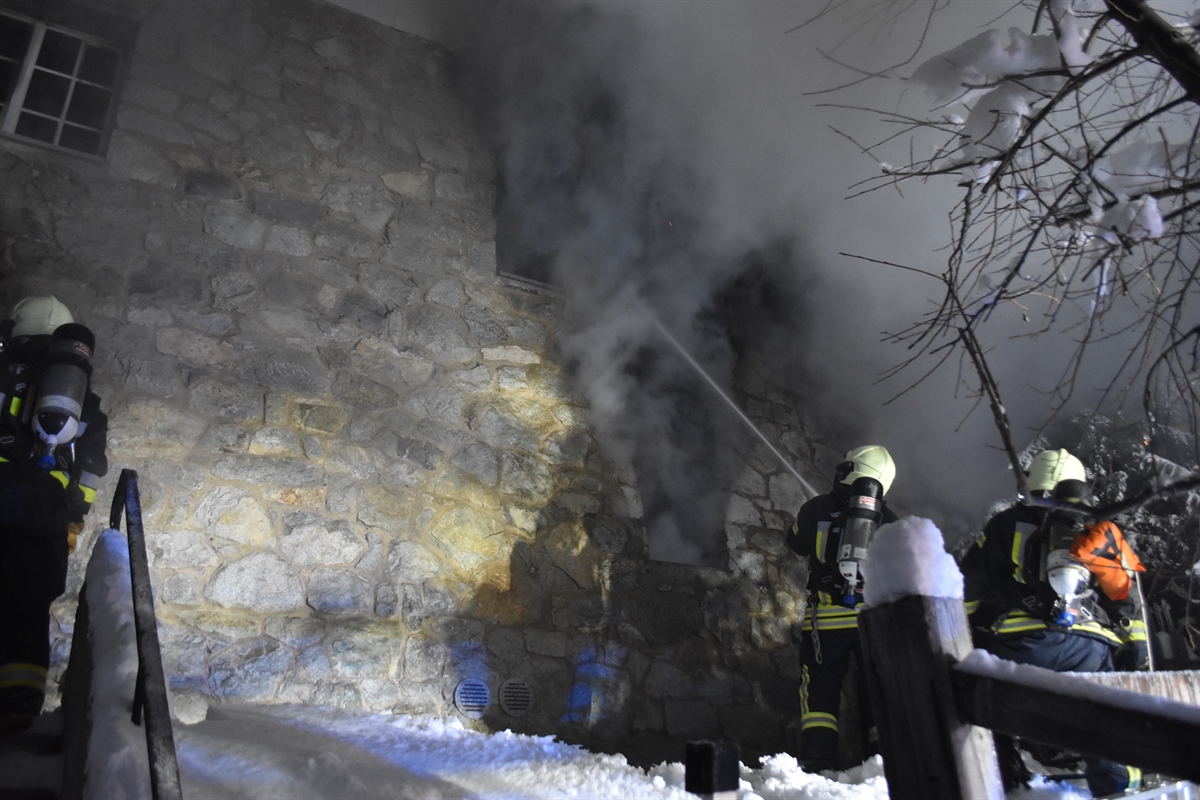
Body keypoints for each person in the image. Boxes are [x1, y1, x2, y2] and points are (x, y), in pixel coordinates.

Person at [960, 448, 1148, 795]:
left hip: (1022, 646)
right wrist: (1135, 649)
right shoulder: (1098, 526)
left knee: (982, 693)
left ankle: (1003, 773)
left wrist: (968, 629)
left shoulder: (1006, 523)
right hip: (1090, 648)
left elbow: (969, 585)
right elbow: (1126, 597)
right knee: (1109, 719)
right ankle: (1120, 786)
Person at [0, 296, 107, 734]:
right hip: (45, 507)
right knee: (27, 602)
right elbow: (90, 469)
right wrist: (73, 519)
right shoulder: (85, 401)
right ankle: (18, 703)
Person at [785, 445, 898, 773]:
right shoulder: (891, 521)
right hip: (871, 624)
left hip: (825, 623)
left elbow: (794, 542)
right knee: (878, 689)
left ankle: (818, 761)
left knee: (820, 690)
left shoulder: (815, 508)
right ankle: (881, 762)